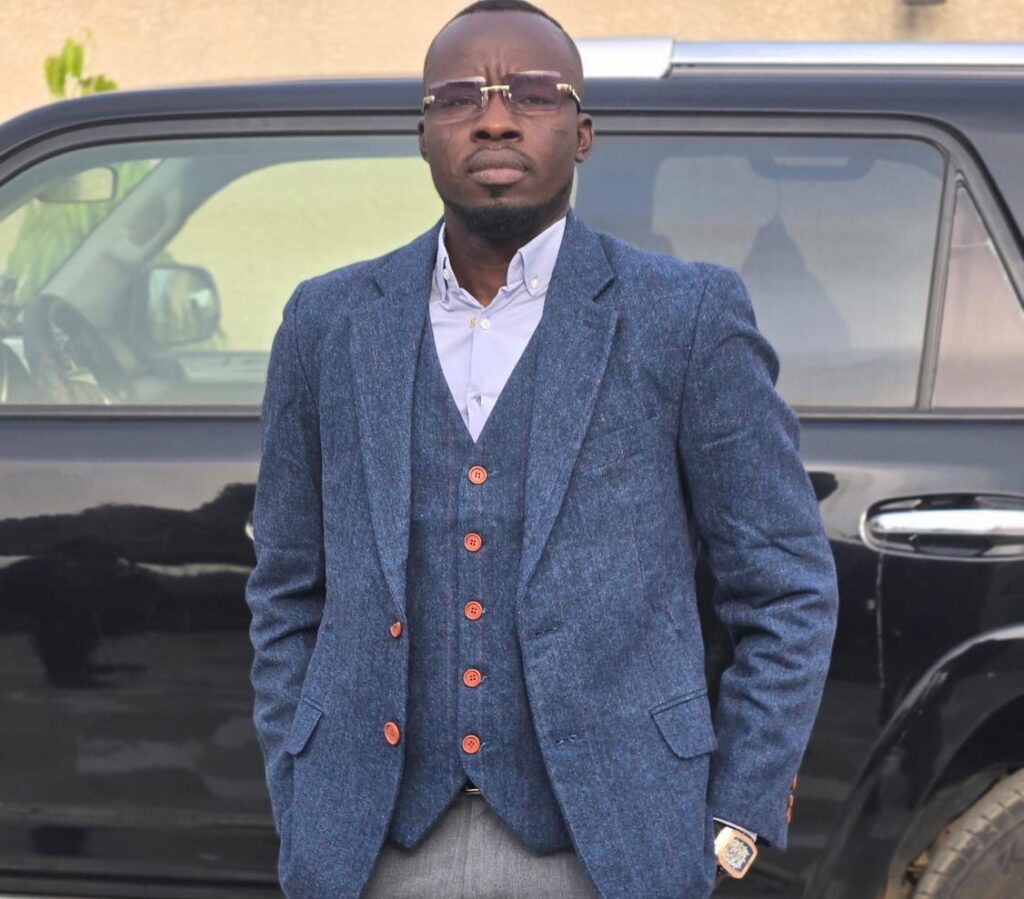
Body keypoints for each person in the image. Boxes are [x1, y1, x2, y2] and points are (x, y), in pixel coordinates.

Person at [245, 2, 839, 896]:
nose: (494, 118)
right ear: (422, 134)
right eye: (459, 97)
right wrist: (303, 795)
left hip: (615, 844)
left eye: (531, 92)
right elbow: (287, 586)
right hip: (374, 845)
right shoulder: (327, 321)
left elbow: (785, 583)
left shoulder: (683, 317)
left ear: (583, 132)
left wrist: (732, 817)